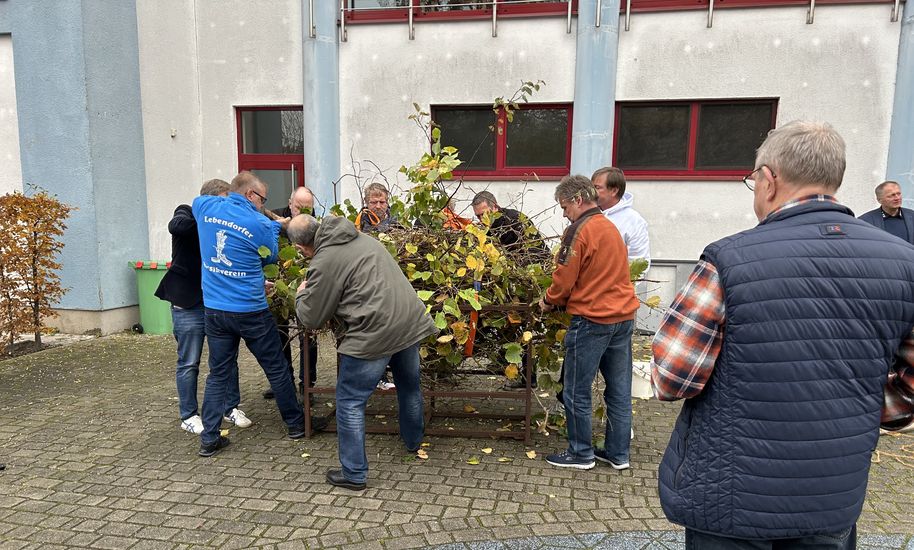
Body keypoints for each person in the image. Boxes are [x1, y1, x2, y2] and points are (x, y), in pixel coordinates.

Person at [651, 121, 914, 548]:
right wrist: (864, 405)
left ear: (769, 179)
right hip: (831, 492)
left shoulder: (727, 260)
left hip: (729, 495)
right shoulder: (906, 263)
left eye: (751, 180)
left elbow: (672, 377)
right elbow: (908, 391)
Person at [288, 214, 436, 490]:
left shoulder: (325, 260)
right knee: (409, 386)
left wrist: (301, 292)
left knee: (350, 401)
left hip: (375, 331)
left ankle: (354, 474)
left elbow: (312, 317)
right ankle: (413, 442)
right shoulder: (362, 238)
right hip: (408, 322)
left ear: (302, 248)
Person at [192, 171, 312, 458]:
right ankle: (296, 425)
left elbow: (198, 206)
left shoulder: (204, 206)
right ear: (250, 195)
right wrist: (276, 226)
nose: (263, 204)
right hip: (250, 310)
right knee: (276, 368)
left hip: (216, 310)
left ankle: (209, 439)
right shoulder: (260, 223)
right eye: (262, 199)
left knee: (218, 374)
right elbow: (269, 256)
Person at [539, 175, 639, 471]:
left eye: (564, 206)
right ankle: (617, 453)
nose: (564, 213)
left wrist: (548, 300)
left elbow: (564, 280)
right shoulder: (610, 227)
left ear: (578, 200)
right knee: (619, 390)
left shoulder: (578, 230)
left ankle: (581, 453)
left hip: (593, 319)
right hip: (622, 318)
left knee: (575, 390)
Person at [154, 179, 251, 434]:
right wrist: (207, 218)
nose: (226, 207)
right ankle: (188, 415)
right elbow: (176, 226)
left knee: (227, 359)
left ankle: (230, 408)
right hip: (188, 303)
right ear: (208, 200)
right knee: (189, 361)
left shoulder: (226, 223)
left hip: (217, 302)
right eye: (222, 201)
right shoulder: (187, 212)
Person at [471, 191, 548, 390]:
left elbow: (532, 252)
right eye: (478, 216)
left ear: (495, 207)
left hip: (530, 280)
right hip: (514, 281)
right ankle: (504, 361)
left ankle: (528, 378)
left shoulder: (513, 221)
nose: (482, 219)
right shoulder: (490, 228)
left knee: (524, 328)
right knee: (505, 323)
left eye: (484, 214)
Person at [262, 186, 319, 400]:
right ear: (289, 203)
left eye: (308, 208)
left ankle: (308, 385)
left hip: (306, 285)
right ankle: (284, 382)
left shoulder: (315, 224)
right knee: (279, 336)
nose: (303, 212)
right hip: (279, 286)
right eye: (298, 207)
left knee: (309, 337)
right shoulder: (273, 221)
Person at [591, 167, 650, 266]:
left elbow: (638, 261)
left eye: (597, 187)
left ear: (614, 191)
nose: (591, 192)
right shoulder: (586, 215)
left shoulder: (634, 221)